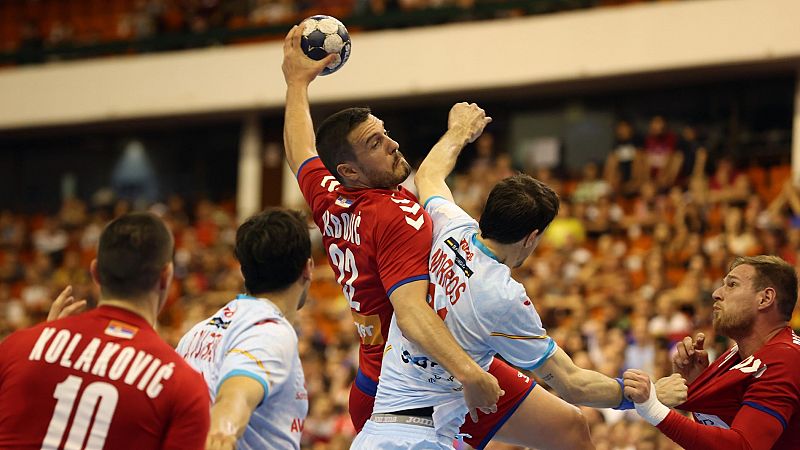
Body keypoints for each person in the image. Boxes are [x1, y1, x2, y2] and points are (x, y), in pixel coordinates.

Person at [352, 103, 687, 449]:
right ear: (531, 237)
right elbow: (572, 383)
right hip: (423, 439)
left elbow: (429, 174)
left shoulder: (448, 226)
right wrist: (645, 395)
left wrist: (459, 133)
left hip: (376, 431)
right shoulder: (503, 297)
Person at [281, 25, 509, 444]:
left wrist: (296, 83)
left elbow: (301, 150)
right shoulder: (394, 216)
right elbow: (410, 311)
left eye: (384, 131)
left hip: (371, 381)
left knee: (569, 427)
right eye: (374, 142)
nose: (391, 143)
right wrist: (470, 374)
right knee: (571, 427)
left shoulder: (332, 196)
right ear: (349, 169)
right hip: (421, 379)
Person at [0, 212, 210, 449]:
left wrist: (44, 342)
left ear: (95, 272)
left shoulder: (17, 346)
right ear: (166, 276)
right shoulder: (183, 386)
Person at [624, 255, 800, 450]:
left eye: (732, 285)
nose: (717, 293)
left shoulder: (786, 358)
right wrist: (697, 385)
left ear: (765, 298)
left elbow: (743, 446)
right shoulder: (737, 354)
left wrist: (652, 409)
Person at [176, 208, 312, 450]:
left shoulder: (196, 333)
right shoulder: (270, 331)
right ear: (308, 268)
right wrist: (222, 433)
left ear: (244, 270)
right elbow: (234, 398)